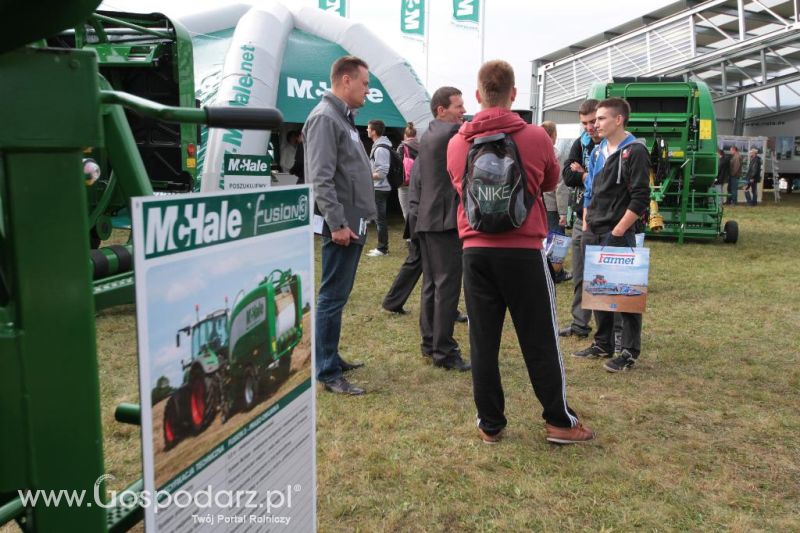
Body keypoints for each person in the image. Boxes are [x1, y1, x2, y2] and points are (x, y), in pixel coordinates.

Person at [447, 60, 594, 444]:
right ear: (513, 94)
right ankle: (559, 421)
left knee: (483, 341)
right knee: (540, 338)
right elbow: (550, 181)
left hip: (475, 252)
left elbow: (459, 187)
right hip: (524, 251)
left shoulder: (457, 142)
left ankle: (490, 424)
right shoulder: (535, 137)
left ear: (478, 95)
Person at [304, 55, 375, 395]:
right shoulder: (324, 118)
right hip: (342, 225)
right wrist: (337, 223)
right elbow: (320, 178)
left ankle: (329, 354)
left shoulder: (342, 118)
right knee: (331, 296)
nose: (367, 90)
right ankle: (327, 370)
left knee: (337, 295)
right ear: (345, 81)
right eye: (364, 83)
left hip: (352, 222)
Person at [573, 97, 650, 373]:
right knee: (597, 292)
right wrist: (586, 221)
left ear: (619, 120)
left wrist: (619, 230)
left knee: (625, 295)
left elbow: (641, 197)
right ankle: (602, 342)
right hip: (594, 229)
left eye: (602, 119)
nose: (596, 124)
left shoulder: (635, 151)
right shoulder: (597, 151)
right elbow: (591, 190)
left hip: (617, 233)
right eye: (595, 120)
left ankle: (628, 351)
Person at [414, 86, 470, 371]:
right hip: (444, 221)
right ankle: (444, 351)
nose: (463, 111)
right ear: (441, 110)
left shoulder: (428, 133)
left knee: (431, 285)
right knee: (446, 287)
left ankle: (430, 343)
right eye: (458, 106)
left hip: (427, 219)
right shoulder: (451, 134)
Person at [559, 99, 601, 339]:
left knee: (604, 275)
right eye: (585, 122)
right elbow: (567, 176)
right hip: (580, 217)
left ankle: (608, 331)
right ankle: (579, 324)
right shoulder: (580, 143)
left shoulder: (613, 145)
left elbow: (605, 181)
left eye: (593, 121)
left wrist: (583, 174)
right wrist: (586, 177)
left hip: (606, 219)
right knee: (580, 273)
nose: (589, 127)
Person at [540, 120, 571, 283]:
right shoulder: (556, 154)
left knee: (543, 238)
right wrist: (563, 213)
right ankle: (556, 273)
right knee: (557, 239)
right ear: (553, 135)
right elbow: (560, 186)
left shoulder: (536, 151)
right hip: (552, 204)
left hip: (538, 203)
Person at [366, 119, 392, 257]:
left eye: (368, 128)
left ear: (374, 131)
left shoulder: (381, 148)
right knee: (378, 218)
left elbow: (382, 173)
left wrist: (366, 176)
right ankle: (382, 247)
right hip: (379, 187)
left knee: (380, 219)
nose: (366, 130)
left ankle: (382, 248)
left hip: (381, 188)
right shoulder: (379, 145)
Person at [397, 122, 419, 221]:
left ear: (405, 135)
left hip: (405, 182)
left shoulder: (402, 147)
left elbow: (398, 166)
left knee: (406, 211)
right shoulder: (423, 146)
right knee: (418, 209)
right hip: (420, 183)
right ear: (415, 135)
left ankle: (410, 235)